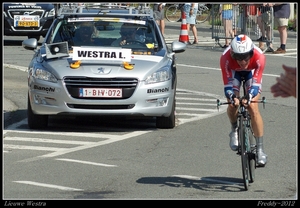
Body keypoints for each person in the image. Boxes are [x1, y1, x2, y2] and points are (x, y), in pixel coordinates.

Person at [220, 34, 267, 167]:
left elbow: (256, 85)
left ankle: (260, 149)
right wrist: (233, 97)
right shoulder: (225, 58)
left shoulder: (259, 57)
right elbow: (227, 86)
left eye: (246, 56)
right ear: (232, 53)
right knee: (232, 103)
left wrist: (249, 96)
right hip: (233, 73)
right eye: (238, 57)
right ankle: (234, 129)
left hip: (251, 73)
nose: (242, 61)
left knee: (252, 106)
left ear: (251, 52)